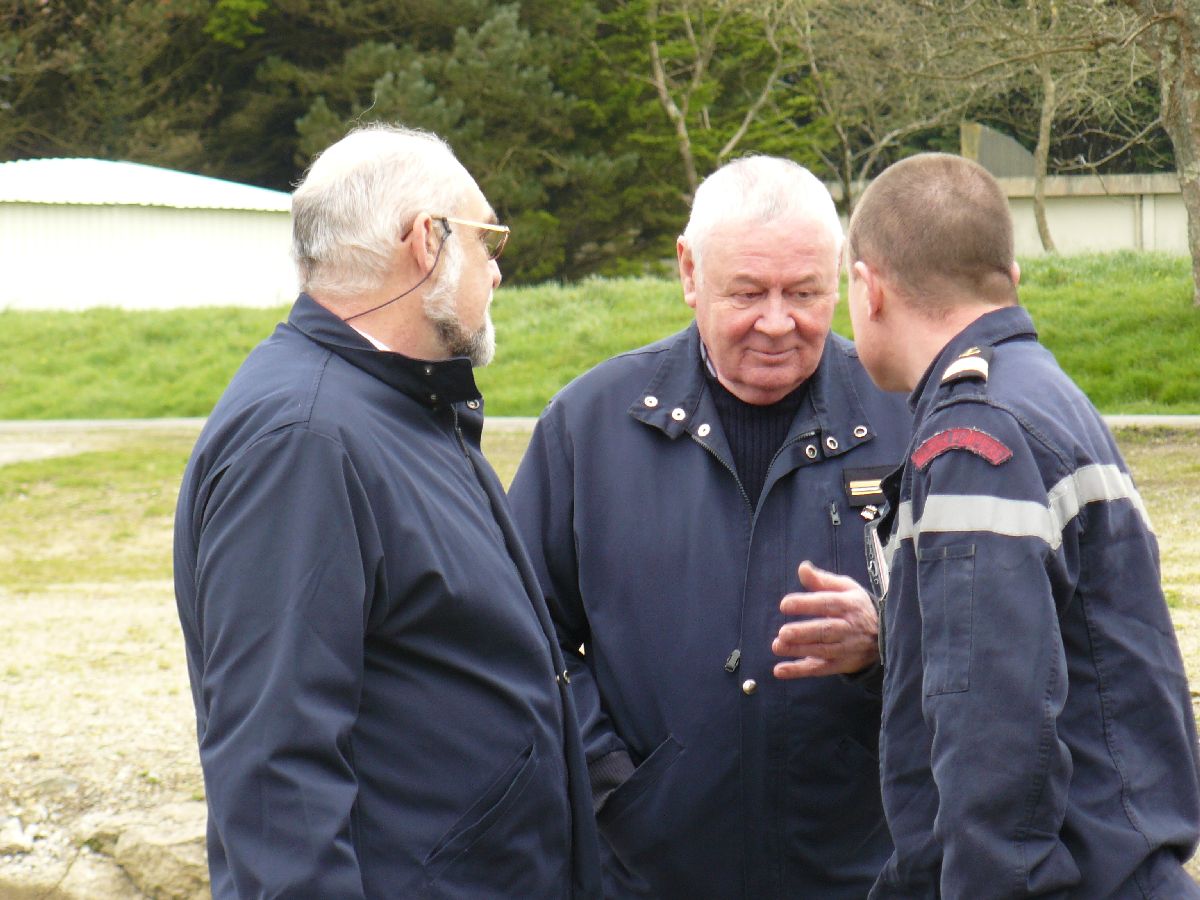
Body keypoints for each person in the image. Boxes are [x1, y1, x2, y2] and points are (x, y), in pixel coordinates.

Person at [173, 123, 601, 898]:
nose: (497, 272)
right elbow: (276, 773)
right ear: (426, 240)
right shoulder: (303, 441)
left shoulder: (402, 406)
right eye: (488, 240)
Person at [507, 155, 912, 898]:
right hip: (646, 871)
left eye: (806, 292)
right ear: (689, 272)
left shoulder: (909, 422)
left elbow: (990, 639)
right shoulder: (587, 427)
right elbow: (525, 636)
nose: (777, 322)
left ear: (847, 281)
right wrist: (616, 786)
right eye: (747, 292)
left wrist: (887, 638)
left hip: (861, 871)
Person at [839, 152, 1200, 898]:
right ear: (1011, 277)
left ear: (867, 288)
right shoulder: (1045, 397)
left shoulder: (973, 437)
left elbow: (991, 733)